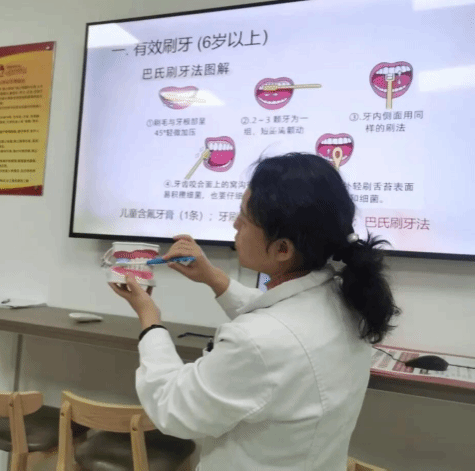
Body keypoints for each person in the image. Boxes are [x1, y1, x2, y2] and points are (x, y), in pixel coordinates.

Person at [109, 152, 401, 471]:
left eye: (244, 219)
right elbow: (283, 320)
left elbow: (173, 409)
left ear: (282, 249)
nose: (234, 224)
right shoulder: (344, 300)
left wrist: (149, 319)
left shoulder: (257, 342)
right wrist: (214, 278)